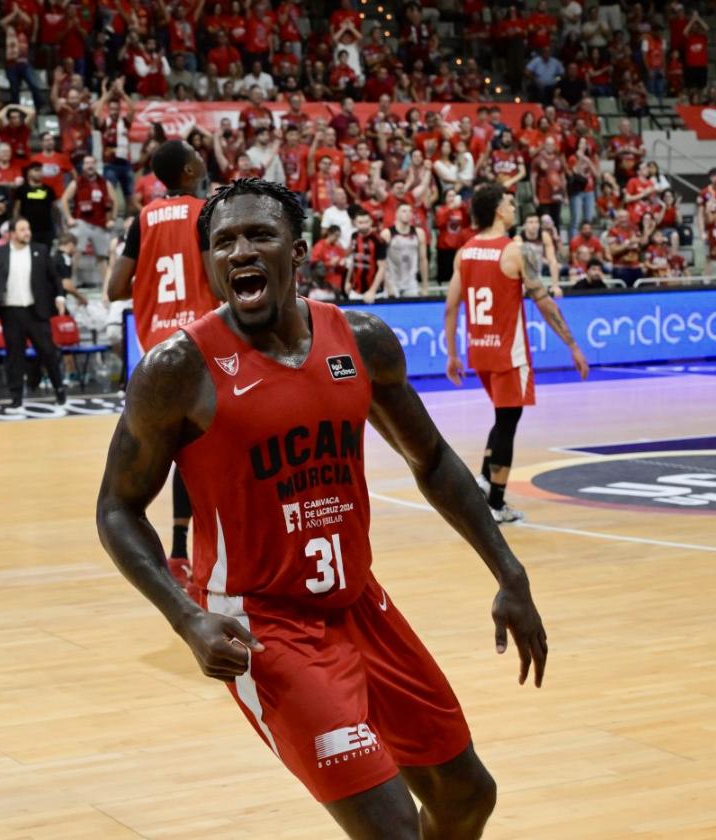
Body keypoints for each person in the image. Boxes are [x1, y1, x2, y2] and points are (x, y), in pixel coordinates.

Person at [97, 177, 549, 839]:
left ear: (297, 252)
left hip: (359, 603)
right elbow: (116, 508)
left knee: (466, 797)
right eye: (223, 242)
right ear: (211, 267)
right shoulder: (178, 370)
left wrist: (510, 574)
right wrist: (187, 617)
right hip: (264, 624)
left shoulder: (360, 340)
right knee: (392, 828)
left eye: (259, 235)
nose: (240, 251)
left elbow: (432, 460)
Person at [104, 140, 221, 591]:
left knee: (174, 449)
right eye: (198, 155)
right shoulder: (204, 211)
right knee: (207, 450)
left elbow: (115, 288)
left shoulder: (144, 217)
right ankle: (191, 551)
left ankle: (175, 556)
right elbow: (216, 278)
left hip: (157, 350)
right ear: (191, 168)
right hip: (200, 343)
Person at [445, 183, 589, 524]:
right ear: (498, 210)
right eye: (510, 203)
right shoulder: (515, 252)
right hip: (509, 354)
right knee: (508, 423)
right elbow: (545, 303)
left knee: (502, 418)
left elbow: (451, 308)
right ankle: (496, 503)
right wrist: (572, 344)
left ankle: (483, 479)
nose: (514, 208)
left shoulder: (464, 252)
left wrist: (452, 354)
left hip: (479, 351)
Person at [0, 217, 67, 410]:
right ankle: (16, 396)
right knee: (15, 356)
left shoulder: (40, 250)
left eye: (28, 228)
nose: (27, 232)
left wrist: (60, 297)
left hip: (36, 309)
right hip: (11, 311)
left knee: (48, 351)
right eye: (23, 229)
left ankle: (59, 389)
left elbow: (55, 277)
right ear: (12, 233)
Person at [379, 204, 429, 298]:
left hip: (411, 283)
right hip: (392, 282)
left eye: (410, 211)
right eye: (404, 211)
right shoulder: (386, 234)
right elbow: (381, 263)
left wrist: (425, 286)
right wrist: (387, 286)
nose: (408, 214)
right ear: (396, 214)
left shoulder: (419, 233)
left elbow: (423, 260)